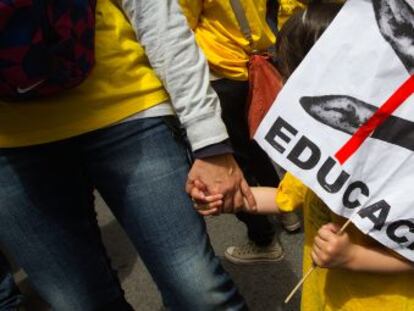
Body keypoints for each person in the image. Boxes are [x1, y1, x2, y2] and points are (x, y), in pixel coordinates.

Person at [0, 0, 254, 309]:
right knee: (80, 304)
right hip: (10, 146)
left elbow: (155, 13)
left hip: (128, 108)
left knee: (199, 293)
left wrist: (210, 141)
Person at [193, 3, 414, 310]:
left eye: (293, 79)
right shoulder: (323, 146)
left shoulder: (405, 167)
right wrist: (238, 197)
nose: (281, 86)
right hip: (326, 298)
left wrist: (355, 256)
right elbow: (287, 197)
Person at [179, 0, 302, 266]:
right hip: (252, 64)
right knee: (259, 147)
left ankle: (263, 239)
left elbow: (179, 29)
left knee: (234, 161)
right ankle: (286, 210)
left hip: (220, 73)